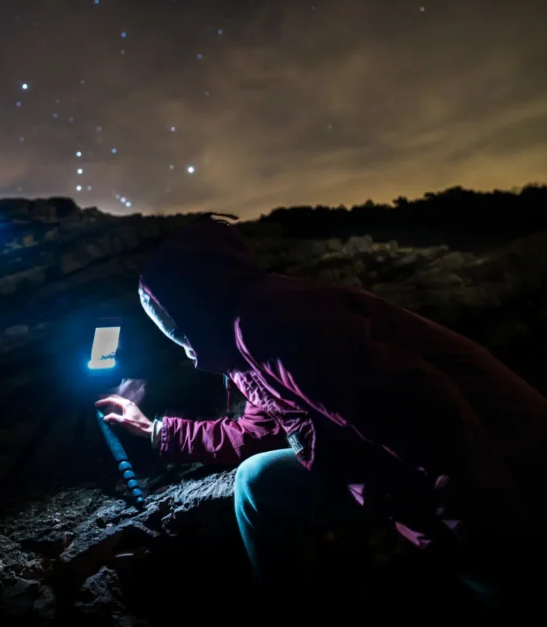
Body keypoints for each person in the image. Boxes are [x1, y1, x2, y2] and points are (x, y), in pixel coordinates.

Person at [95, 214, 547, 610]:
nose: (181, 342)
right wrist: (154, 430)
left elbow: (438, 432)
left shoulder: (272, 322)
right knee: (258, 479)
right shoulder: (246, 338)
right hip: (408, 465)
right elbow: (260, 431)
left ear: (192, 306)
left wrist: (468, 544)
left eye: (172, 323)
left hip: (507, 469)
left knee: (498, 579)